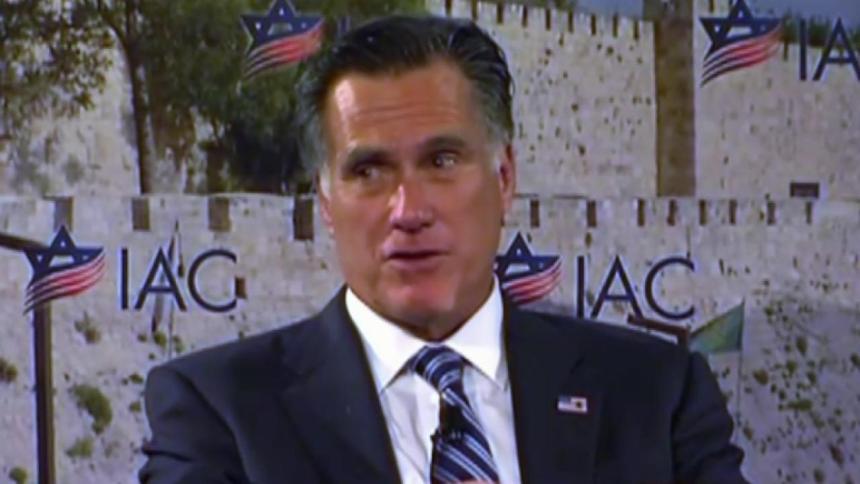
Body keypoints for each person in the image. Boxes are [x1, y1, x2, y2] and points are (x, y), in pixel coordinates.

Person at [139, 14, 748, 484]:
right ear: (325, 201)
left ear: (504, 178)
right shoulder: (218, 413)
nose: (408, 210)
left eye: (442, 161)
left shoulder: (656, 394)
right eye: (368, 171)